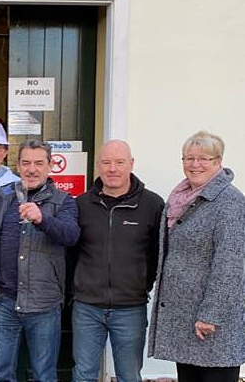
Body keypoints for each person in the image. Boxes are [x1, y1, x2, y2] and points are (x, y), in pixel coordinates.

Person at [0, 139, 80, 382]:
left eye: (38, 163)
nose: (31, 169)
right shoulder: (6, 198)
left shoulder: (64, 201)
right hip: (5, 301)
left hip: (44, 304)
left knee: (44, 375)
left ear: (50, 165)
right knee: (1, 373)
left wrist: (42, 218)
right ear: (18, 166)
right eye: (26, 163)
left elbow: (71, 235)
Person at [148, 131, 245, 382]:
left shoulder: (229, 202)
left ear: (218, 161)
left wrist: (210, 315)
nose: (195, 164)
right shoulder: (181, 198)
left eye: (204, 158)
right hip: (186, 318)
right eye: (188, 158)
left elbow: (230, 264)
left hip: (211, 323)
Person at [71, 140, 164, 382]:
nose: (112, 168)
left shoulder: (152, 205)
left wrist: (142, 284)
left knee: (129, 375)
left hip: (130, 308)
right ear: (98, 166)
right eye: (106, 162)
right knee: (83, 374)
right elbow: (71, 252)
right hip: (87, 307)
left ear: (131, 164)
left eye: (119, 162)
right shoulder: (81, 204)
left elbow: (157, 254)